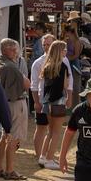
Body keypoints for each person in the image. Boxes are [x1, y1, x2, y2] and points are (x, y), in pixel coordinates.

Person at [31, 34, 73, 166]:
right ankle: (49, 158)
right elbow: (66, 85)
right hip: (58, 101)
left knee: (49, 131)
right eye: (64, 50)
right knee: (56, 132)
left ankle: (43, 156)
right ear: (59, 51)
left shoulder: (46, 66)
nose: (66, 52)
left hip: (46, 101)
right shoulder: (63, 66)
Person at [0, 39, 30, 180]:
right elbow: (27, 84)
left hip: (5, 104)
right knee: (12, 138)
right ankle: (9, 170)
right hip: (15, 103)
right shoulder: (10, 66)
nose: (16, 52)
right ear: (5, 50)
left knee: (5, 136)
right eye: (13, 49)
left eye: (16, 49)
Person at [64, 25, 83, 100]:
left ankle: (75, 100)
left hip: (74, 64)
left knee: (75, 85)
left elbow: (76, 55)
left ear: (69, 32)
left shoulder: (76, 41)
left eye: (66, 32)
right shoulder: (67, 40)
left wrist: (68, 59)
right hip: (68, 62)